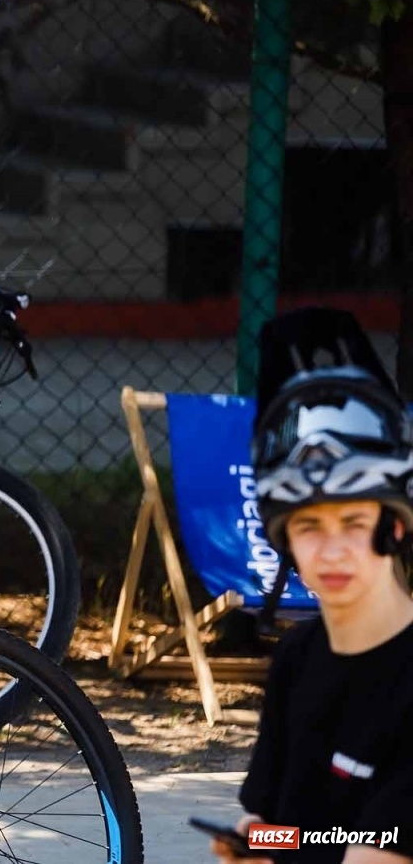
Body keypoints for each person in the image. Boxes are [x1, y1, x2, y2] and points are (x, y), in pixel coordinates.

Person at [210, 309, 413, 864]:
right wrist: (251, 843)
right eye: (308, 527)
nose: (331, 549)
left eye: (354, 522)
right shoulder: (299, 657)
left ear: (394, 528)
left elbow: (376, 855)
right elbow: (290, 832)